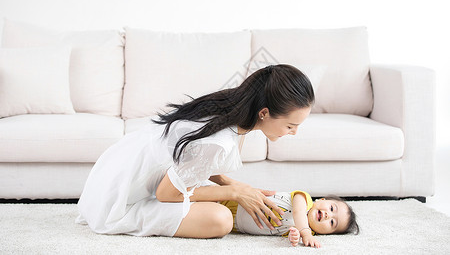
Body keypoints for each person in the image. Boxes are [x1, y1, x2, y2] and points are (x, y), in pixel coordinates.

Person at [76, 64, 315, 238]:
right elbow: (166, 194)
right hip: (117, 201)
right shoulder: (221, 141)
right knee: (220, 219)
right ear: (264, 113)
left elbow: (193, 160)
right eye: (291, 125)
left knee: (214, 199)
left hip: (112, 174)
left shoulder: (228, 109)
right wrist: (233, 192)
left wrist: (235, 186)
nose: (293, 132)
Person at [221, 192, 360, 248]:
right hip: (237, 202)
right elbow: (298, 211)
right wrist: (305, 233)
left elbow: (289, 233)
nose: (328, 215)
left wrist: (294, 237)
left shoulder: (304, 233)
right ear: (321, 200)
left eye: (332, 223)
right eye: (331, 208)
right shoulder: (305, 199)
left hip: (234, 225)